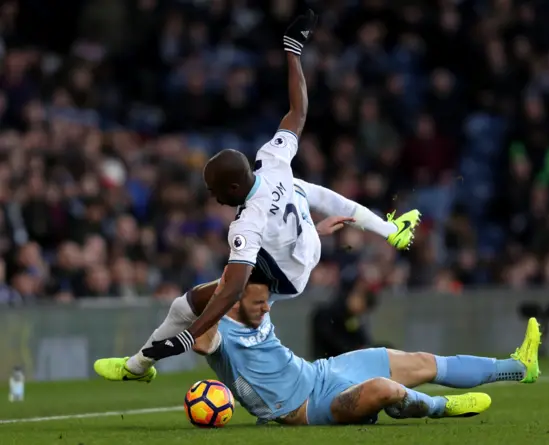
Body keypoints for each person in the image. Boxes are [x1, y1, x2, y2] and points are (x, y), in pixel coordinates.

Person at [94, 9, 422, 379]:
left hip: (288, 275)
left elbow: (231, 289)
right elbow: (299, 110)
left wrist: (188, 337)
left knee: (200, 304)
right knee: (305, 190)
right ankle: (386, 229)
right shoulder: (272, 159)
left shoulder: (247, 223)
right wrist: (293, 52)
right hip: (302, 246)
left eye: (216, 192)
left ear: (234, 187)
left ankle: (141, 365)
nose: (214, 199)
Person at [186, 274, 541, 425]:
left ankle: (518, 367)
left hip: (322, 371)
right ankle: (438, 407)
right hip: (308, 408)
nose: (266, 309)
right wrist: (224, 287)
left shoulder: (257, 306)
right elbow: (200, 340)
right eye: (258, 302)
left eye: (266, 302)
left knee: (420, 361)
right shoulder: (217, 334)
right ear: (233, 298)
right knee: (382, 389)